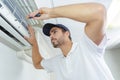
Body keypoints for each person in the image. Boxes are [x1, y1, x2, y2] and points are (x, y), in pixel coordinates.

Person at [25, 3, 114, 80]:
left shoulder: (86, 47)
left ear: (67, 33)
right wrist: (34, 42)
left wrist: (51, 13)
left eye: (54, 32)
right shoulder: (57, 62)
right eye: (50, 34)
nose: (51, 36)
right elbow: (37, 64)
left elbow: (98, 12)